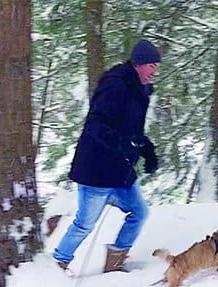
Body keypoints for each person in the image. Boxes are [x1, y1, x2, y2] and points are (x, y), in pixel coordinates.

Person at [53, 39, 161, 273]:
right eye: (152, 65)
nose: (155, 71)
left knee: (139, 213)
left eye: (156, 66)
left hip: (121, 171)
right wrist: (119, 142)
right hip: (97, 169)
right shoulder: (116, 86)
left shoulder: (139, 89)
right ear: (139, 64)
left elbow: (132, 129)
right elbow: (95, 123)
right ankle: (58, 264)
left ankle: (115, 262)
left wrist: (146, 149)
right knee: (85, 224)